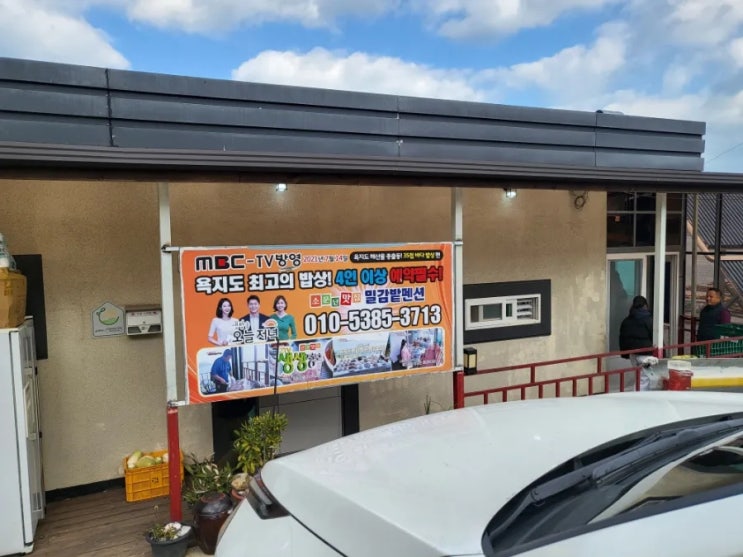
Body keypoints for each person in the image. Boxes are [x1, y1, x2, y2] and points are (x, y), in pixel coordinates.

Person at [619, 295, 654, 391]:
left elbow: (622, 338)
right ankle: (639, 397)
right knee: (644, 378)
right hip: (646, 353)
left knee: (640, 377)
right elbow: (654, 335)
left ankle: (638, 395)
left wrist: (625, 354)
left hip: (633, 354)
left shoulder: (626, 321)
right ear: (645, 305)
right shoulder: (649, 320)